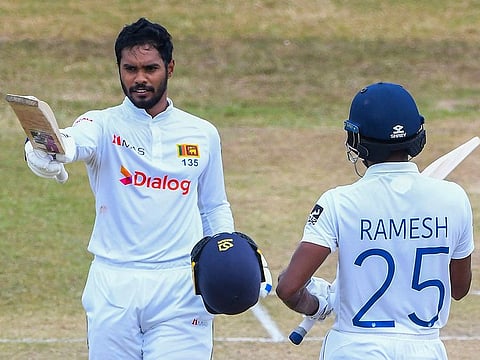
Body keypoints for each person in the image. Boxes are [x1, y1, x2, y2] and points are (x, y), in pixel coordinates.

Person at [24, 17, 238, 359]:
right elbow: (70, 141)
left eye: (150, 68)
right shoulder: (101, 123)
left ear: (170, 67)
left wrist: (230, 252)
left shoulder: (202, 133)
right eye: (130, 68)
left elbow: (212, 206)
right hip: (113, 286)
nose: (139, 78)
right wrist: (38, 151)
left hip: (181, 287)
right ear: (119, 68)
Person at [276, 82, 474, 359]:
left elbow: (288, 288)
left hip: (353, 348)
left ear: (356, 140)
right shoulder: (454, 198)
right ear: (419, 136)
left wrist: (317, 304)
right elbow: (460, 288)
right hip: (426, 349)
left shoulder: (338, 202)